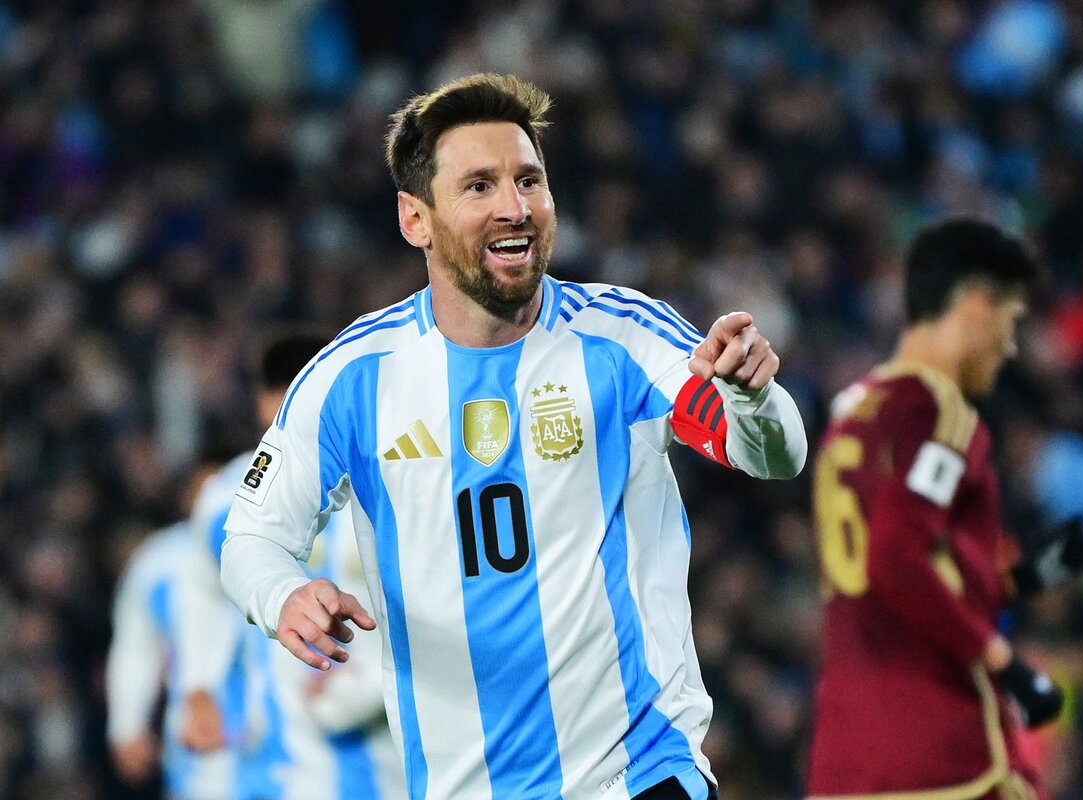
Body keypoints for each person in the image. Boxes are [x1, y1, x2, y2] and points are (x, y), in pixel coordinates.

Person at [220, 73, 809, 800]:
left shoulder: (620, 336)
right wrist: (283, 594)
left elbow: (772, 454)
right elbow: (249, 536)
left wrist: (754, 399)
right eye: (479, 186)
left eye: (529, 179)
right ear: (416, 219)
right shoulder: (353, 378)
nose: (516, 207)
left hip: (636, 776)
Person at [805, 218, 1083, 800]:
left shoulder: (858, 408)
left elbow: (901, 580)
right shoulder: (941, 412)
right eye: (1010, 321)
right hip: (935, 745)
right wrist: (1005, 661)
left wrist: (1030, 577)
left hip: (846, 751)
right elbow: (896, 560)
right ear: (975, 305)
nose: (1010, 347)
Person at [179, 330, 405, 799]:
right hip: (274, 766)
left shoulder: (389, 477)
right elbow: (200, 582)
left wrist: (363, 690)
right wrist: (200, 683)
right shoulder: (229, 499)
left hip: (388, 759)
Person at [106, 455, 238, 799]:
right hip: (199, 750)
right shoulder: (157, 563)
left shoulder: (291, 540)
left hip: (292, 734)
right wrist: (127, 724)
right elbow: (135, 646)